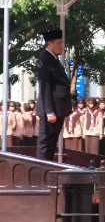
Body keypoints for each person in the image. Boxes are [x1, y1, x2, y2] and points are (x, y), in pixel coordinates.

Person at [35, 29, 72, 161]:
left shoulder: (54, 60)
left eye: (62, 43)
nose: (62, 46)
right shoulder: (44, 61)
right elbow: (45, 87)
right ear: (49, 44)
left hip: (58, 109)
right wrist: (50, 111)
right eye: (59, 43)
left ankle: (47, 171)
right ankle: (41, 173)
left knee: (51, 143)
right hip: (50, 111)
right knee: (45, 143)